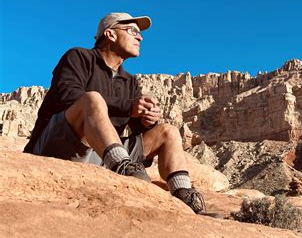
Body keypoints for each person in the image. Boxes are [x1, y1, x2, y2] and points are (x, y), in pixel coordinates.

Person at [24, 12, 206, 214]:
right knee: (92, 99)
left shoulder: (130, 81)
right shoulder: (78, 57)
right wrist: (128, 107)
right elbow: (68, 96)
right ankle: (124, 169)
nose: (140, 37)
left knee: (168, 131)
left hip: (105, 154)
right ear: (110, 34)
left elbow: (137, 128)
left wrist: (147, 120)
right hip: (57, 146)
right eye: (133, 31)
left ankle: (185, 198)